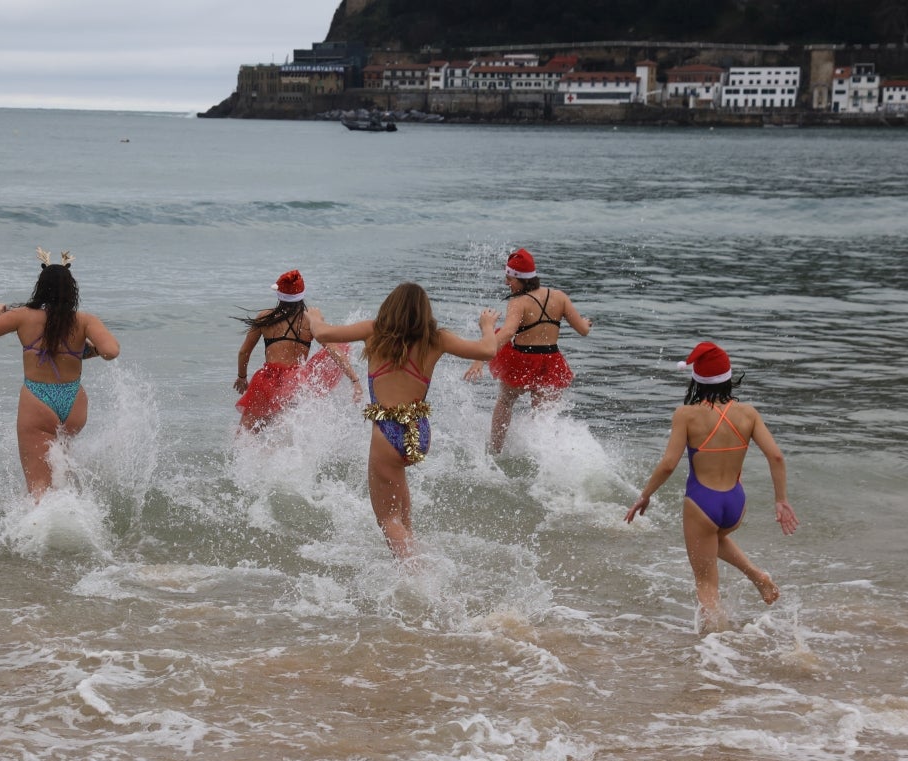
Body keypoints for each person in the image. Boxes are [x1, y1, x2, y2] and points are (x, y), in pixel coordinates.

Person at [307, 283, 499, 559]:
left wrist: (315, 316)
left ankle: (417, 578)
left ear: (389, 306)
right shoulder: (437, 339)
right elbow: (487, 350)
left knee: (388, 520)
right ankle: (416, 562)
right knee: (403, 518)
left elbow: (323, 333)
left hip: (387, 433)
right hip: (419, 432)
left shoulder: (374, 330)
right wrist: (487, 324)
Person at [624, 342, 799, 633]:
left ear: (697, 379)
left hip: (701, 502)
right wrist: (781, 500)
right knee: (716, 540)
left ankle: (716, 649)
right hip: (735, 502)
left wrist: (645, 496)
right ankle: (756, 575)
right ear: (729, 377)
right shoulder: (749, 413)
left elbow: (668, 464)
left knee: (706, 584)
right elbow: (776, 456)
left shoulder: (686, 415)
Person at [0, 248, 120, 498]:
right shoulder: (84, 320)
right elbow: (111, 351)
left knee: (38, 489)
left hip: (37, 400)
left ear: (40, 287)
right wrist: (83, 352)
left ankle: (44, 530)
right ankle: (73, 519)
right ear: (72, 290)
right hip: (73, 403)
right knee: (60, 476)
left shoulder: (22, 316)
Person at [463, 248, 592, 453]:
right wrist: (585, 322)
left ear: (522, 279)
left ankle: (495, 451)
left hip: (521, 361)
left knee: (505, 402)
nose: (507, 283)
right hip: (551, 362)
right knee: (543, 417)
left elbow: (506, 333)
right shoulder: (559, 297)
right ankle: (547, 457)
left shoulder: (519, 303)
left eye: (509, 279)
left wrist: (480, 357)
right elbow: (583, 330)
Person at [234, 270, 362, 432]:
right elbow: (334, 350)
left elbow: (244, 352)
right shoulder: (309, 321)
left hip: (266, 380)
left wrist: (242, 377)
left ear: (279, 295)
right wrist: (355, 381)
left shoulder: (265, 317)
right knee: (285, 431)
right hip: (294, 383)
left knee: (246, 434)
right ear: (302, 295)